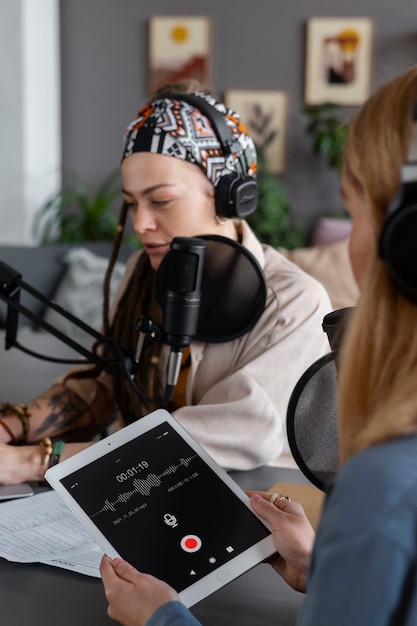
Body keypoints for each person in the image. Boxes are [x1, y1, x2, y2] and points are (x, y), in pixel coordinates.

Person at [100, 65, 417, 626]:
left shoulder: (386, 484)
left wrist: (161, 619)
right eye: (132, 204)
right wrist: (321, 568)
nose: (142, 224)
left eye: (354, 211)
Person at [0, 81, 331, 484]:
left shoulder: (296, 302)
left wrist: (36, 461)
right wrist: (12, 426)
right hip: (140, 491)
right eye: (131, 204)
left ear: (230, 197)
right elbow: (104, 382)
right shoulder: (146, 268)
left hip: (250, 507)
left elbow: (237, 434)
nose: (141, 224)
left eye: (160, 201)